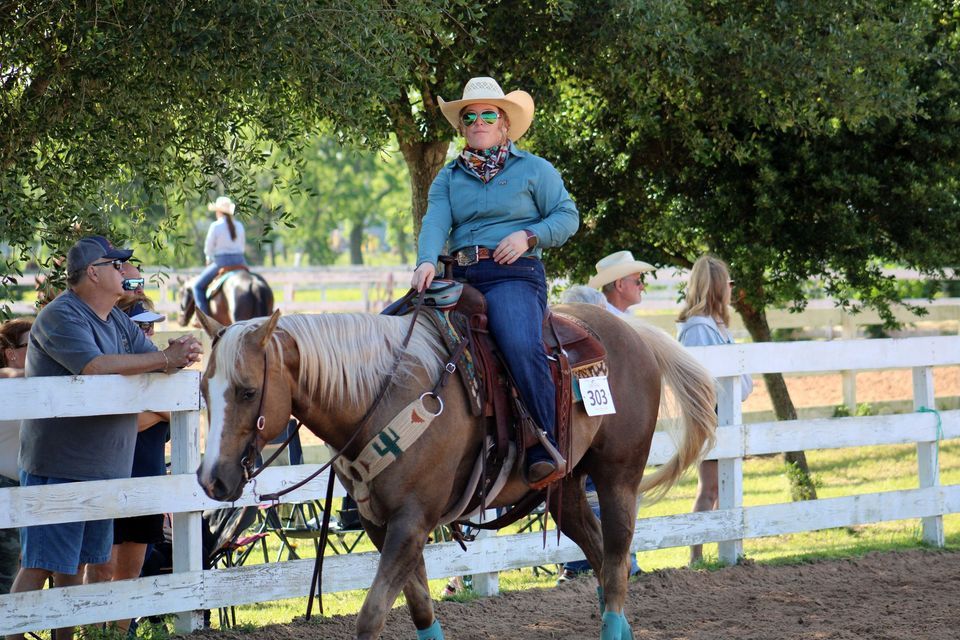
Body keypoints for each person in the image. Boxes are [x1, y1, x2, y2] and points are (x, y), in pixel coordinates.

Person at [8, 235, 203, 640]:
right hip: (59, 466)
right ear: (92, 273)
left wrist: (175, 354)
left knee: (78, 564)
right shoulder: (61, 316)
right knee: (42, 563)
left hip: (102, 469)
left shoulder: (115, 318)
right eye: (115, 265)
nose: (123, 271)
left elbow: (148, 360)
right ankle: (10, 633)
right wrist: (166, 358)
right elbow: (95, 367)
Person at [412, 76, 579, 487]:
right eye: (470, 117)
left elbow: (567, 216)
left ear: (504, 123)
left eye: (488, 115)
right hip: (460, 274)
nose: (479, 122)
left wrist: (528, 236)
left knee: (518, 341)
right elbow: (435, 222)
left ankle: (545, 444)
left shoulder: (534, 169)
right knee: (398, 328)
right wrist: (426, 261)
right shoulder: (448, 178)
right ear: (462, 126)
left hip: (514, 276)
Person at [85, 298, 171, 634]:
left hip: (148, 482)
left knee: (131, 571)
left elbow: (179, 411)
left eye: (150, 326)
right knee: (101, 567)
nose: (148, 332)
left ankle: (120, 634)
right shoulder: (109, 374)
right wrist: (159, 411)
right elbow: (115, 425)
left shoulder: (163, 375)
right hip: (109, 480)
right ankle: (94, 634)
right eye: (140, 326)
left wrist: (145, 412)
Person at [555, 284, 642, 583]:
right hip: (587, 442)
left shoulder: (566, 352)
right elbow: (599, 405)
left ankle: (587, 564)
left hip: (571, 442)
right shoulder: (587, 356)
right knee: (608, 492)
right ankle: (594, 564)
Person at [676, 254, 753, 565]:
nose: (732, 289)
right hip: (713, 415)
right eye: (728, 283)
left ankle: (719, 552)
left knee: (720, 487)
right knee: (709, 488)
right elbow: (697, 381)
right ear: (718, 287)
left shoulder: (716, 325)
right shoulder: (698, 328)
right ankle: (696, 556)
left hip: (725, 413)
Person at [0, 318, 33, 595]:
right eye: (32, 344)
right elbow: (10, 375)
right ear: (11, 353)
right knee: (6, 573)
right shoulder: (6, 378)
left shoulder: (36, 388)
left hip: (26, 487)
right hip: (5, 486)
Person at [193, 195, 247, 317]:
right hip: (240, 261)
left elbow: (208, 248)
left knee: (198, 287)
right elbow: (242, 247)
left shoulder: (216, 226)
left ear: (219, 212)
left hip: (222, 262)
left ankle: (204, 319)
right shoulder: (239, 225)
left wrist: (209, 259)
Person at [587, 250, 655, 316]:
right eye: (637, 282)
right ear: (619, 285)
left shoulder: (621, 315)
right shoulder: (602, 318)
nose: (642, 287)